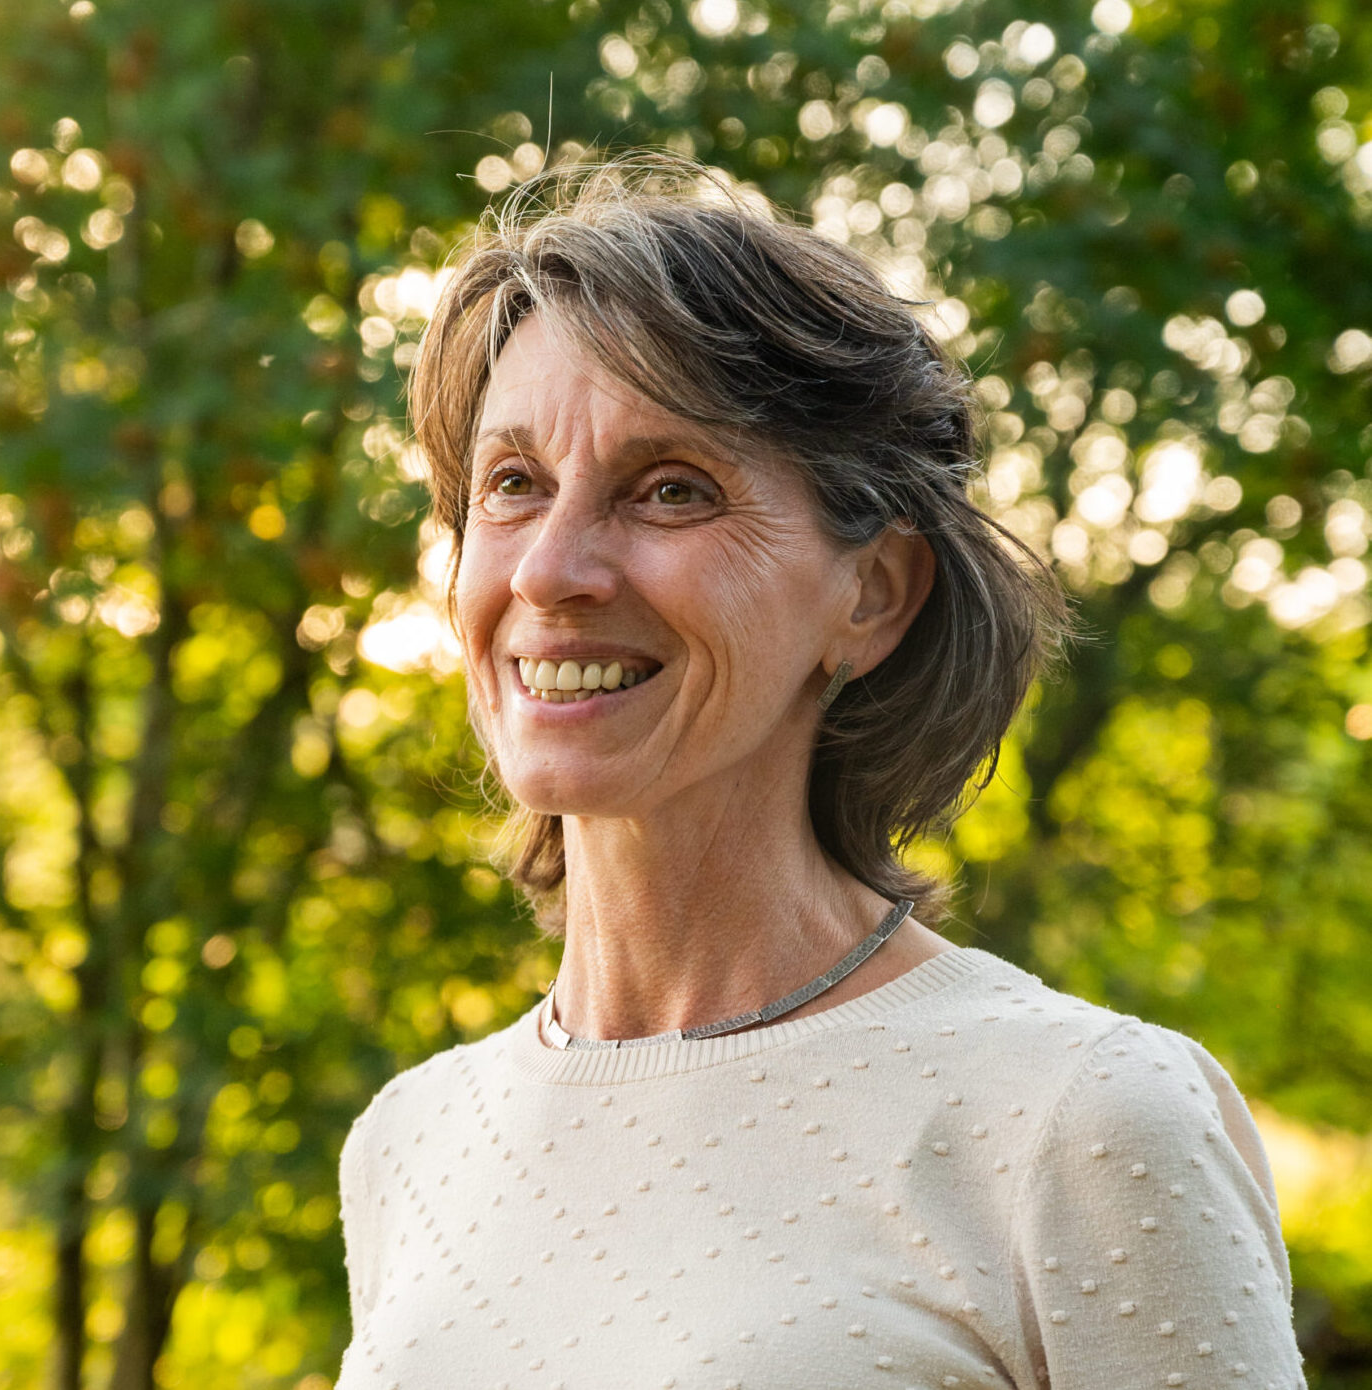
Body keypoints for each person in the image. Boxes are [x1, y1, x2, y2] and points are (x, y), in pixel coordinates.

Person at [334, 154, 1305, 1390]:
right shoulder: (414, 1142)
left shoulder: (1084, 1117)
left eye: (671, 489)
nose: (550, 571)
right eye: (513, 486)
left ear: (873, 596)